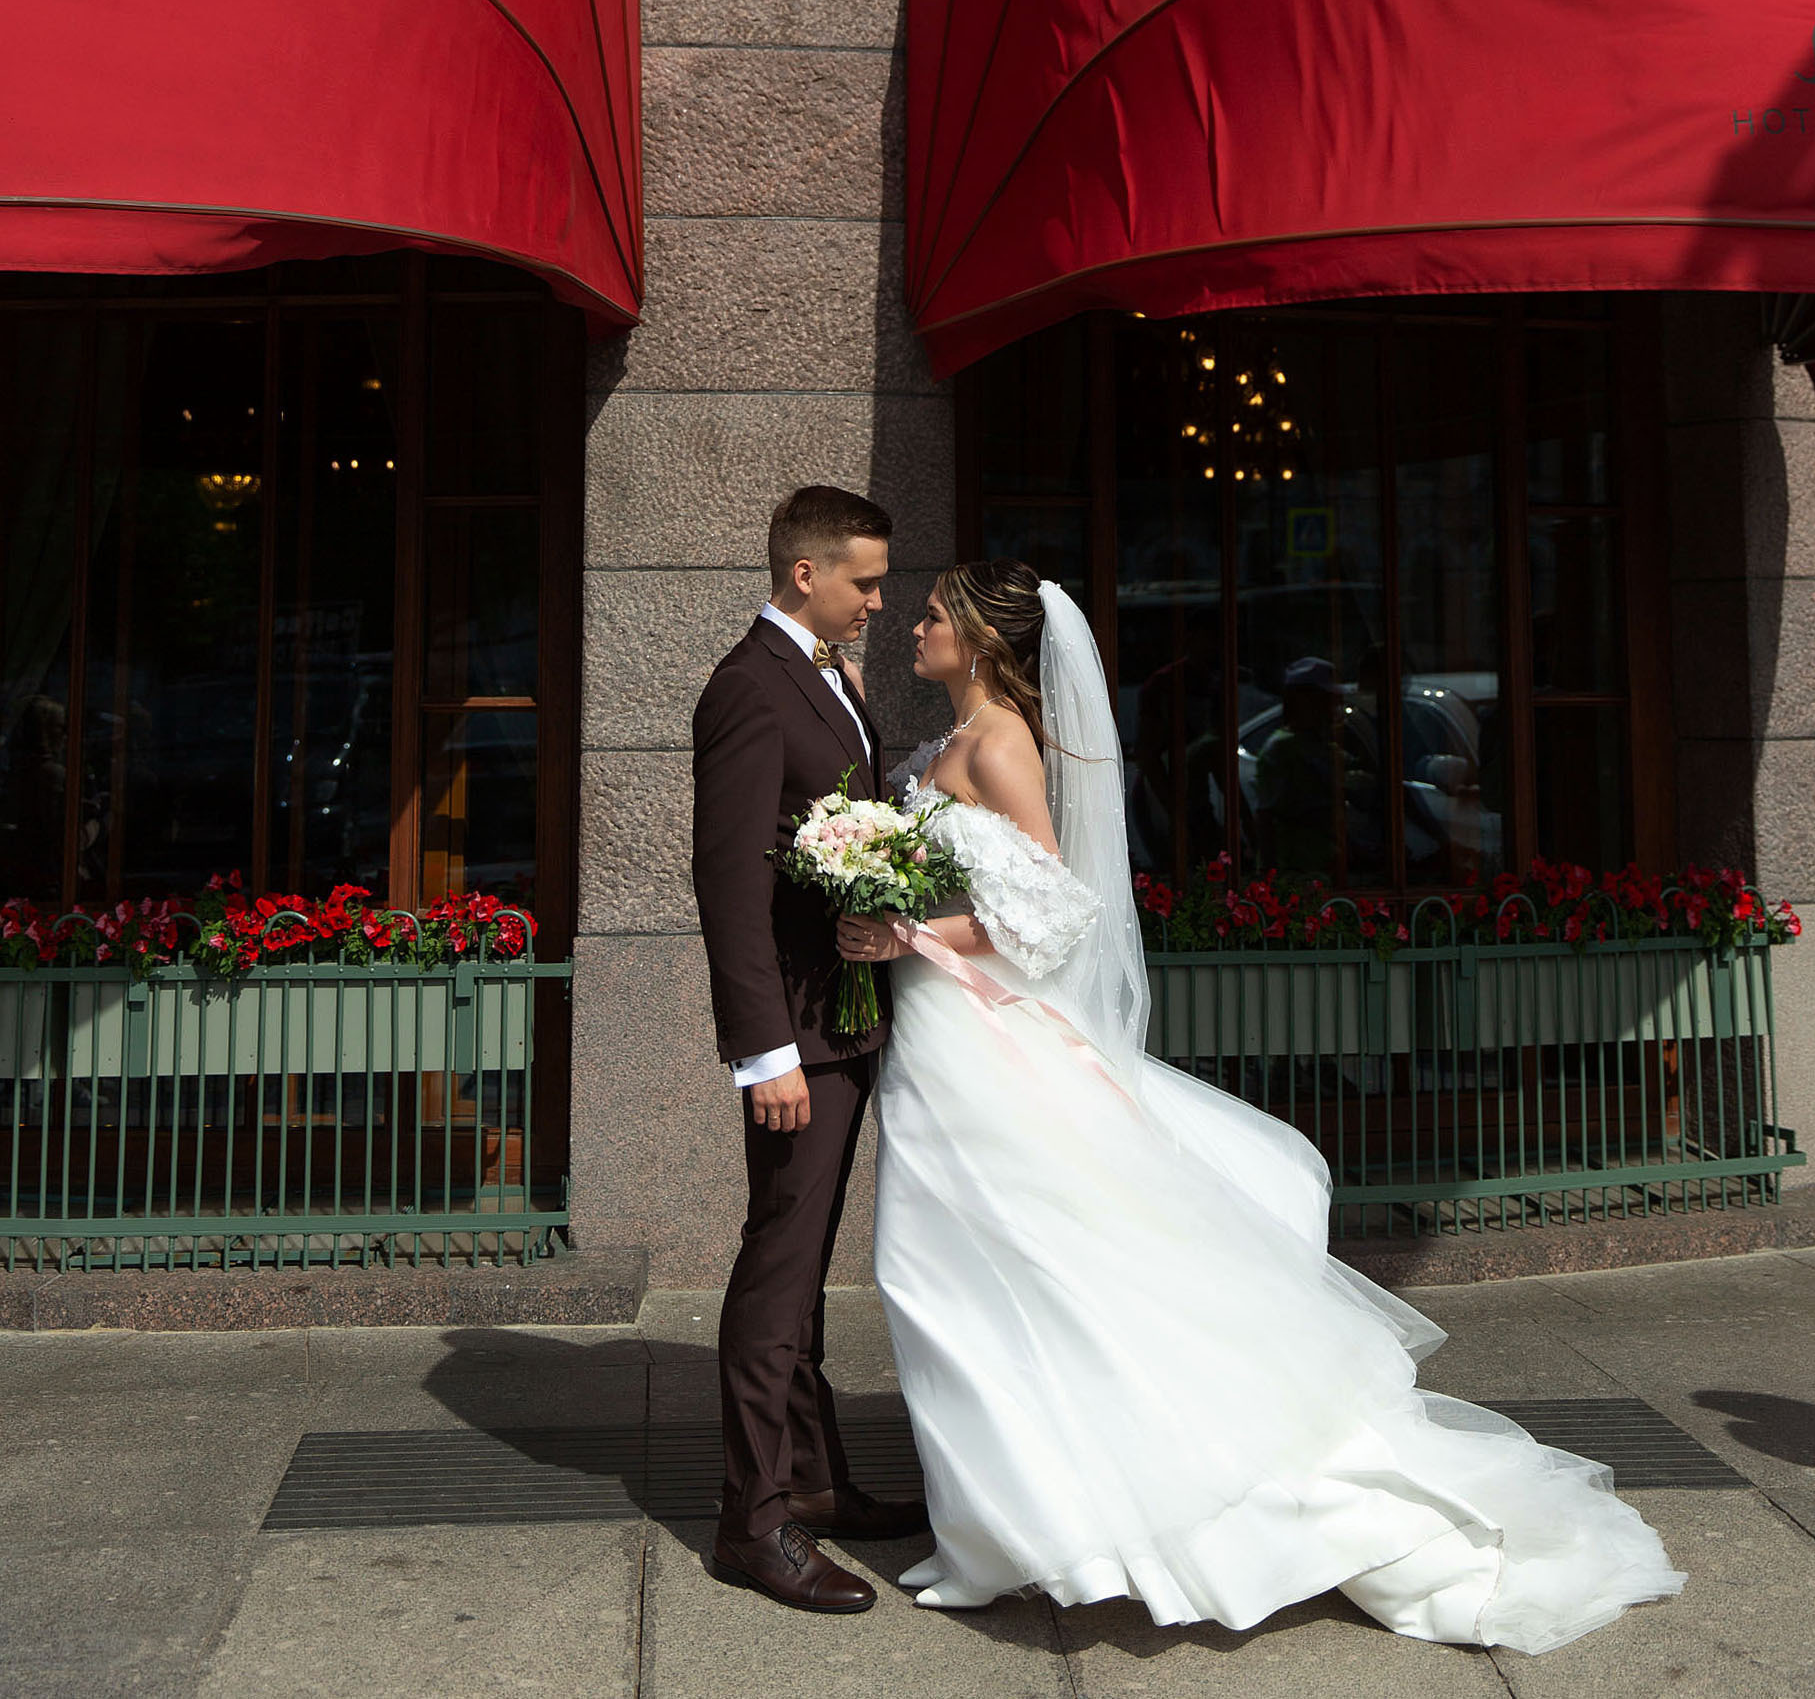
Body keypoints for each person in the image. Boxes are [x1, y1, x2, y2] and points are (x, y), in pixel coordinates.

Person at [837, 561, 1686, 1651]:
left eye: (933, 616)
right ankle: (1001, 1526)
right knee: (959, 1276)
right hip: (946, 1037)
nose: (913, 627)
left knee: (969, 1269)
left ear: (984, 640)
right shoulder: (955, 739)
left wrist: (906, 933)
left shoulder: (999, 739)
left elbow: (1047, 911)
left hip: (975, 1040)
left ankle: (1037, 1526)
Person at [690, 482, 931, 1614]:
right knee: (777, 1267)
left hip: (844, 1015)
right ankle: (755, 1519)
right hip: (796, 1035)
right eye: (865, 580)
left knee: (805, 1271)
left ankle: (814, 1480)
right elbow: (730, 883)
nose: (879, 600)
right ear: (805, 573)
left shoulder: (827, 675)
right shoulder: (748, 685)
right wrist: (762, 1051)